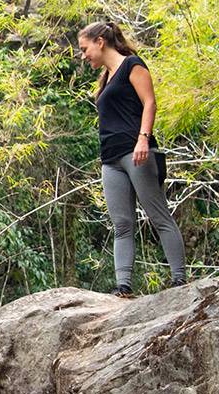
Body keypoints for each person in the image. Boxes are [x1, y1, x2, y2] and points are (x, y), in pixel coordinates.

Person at [77, 20, 186, 297]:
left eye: (84, 48)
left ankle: (179, 280)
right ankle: (123, 286)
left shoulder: (132, 65)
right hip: (111, 159)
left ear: (100, 42)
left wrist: (143, 139)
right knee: (122, 224)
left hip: (137, 152)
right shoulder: (107, 77)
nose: (83, 55)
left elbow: (150, 102)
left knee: (158, 215)